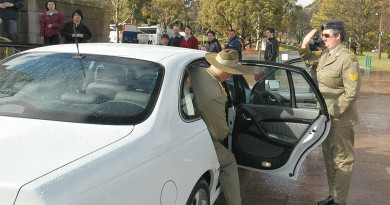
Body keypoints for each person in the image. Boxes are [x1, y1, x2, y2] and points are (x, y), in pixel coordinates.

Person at [298, 19, 361, 205]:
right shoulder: (326, 54)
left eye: (326, 36)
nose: (322, 39)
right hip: (326, 117)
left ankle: (339, 201)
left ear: (338, 36)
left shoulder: (348, 58)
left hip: (340, 118)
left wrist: (331, 112)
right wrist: (304, 44)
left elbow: (351, 92)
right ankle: (333, 196)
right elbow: (308, 59)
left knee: (342, 161)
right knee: (330, 159)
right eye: (322, 35)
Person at [189, 49, 242, 205]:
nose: (231, 75)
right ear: (227, 71)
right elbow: (220, 134)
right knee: (229, 161)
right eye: (231, 72)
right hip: (196, 138)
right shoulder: (215, 95)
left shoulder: (196, 70)